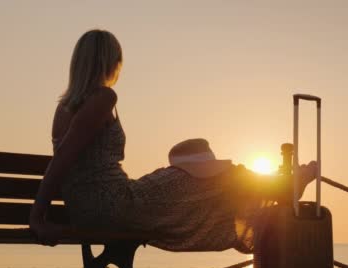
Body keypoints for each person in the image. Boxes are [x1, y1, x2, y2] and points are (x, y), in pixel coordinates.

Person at [29, 29, 317, 252]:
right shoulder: (103, 98)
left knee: (186, 177)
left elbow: (68, 161)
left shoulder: (64, 106)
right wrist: (37, 218)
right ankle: (285, 186)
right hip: (114, 206)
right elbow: (64, 157)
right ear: (109, 62)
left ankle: (279, 186)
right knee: (209, 178)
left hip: (94, 208)